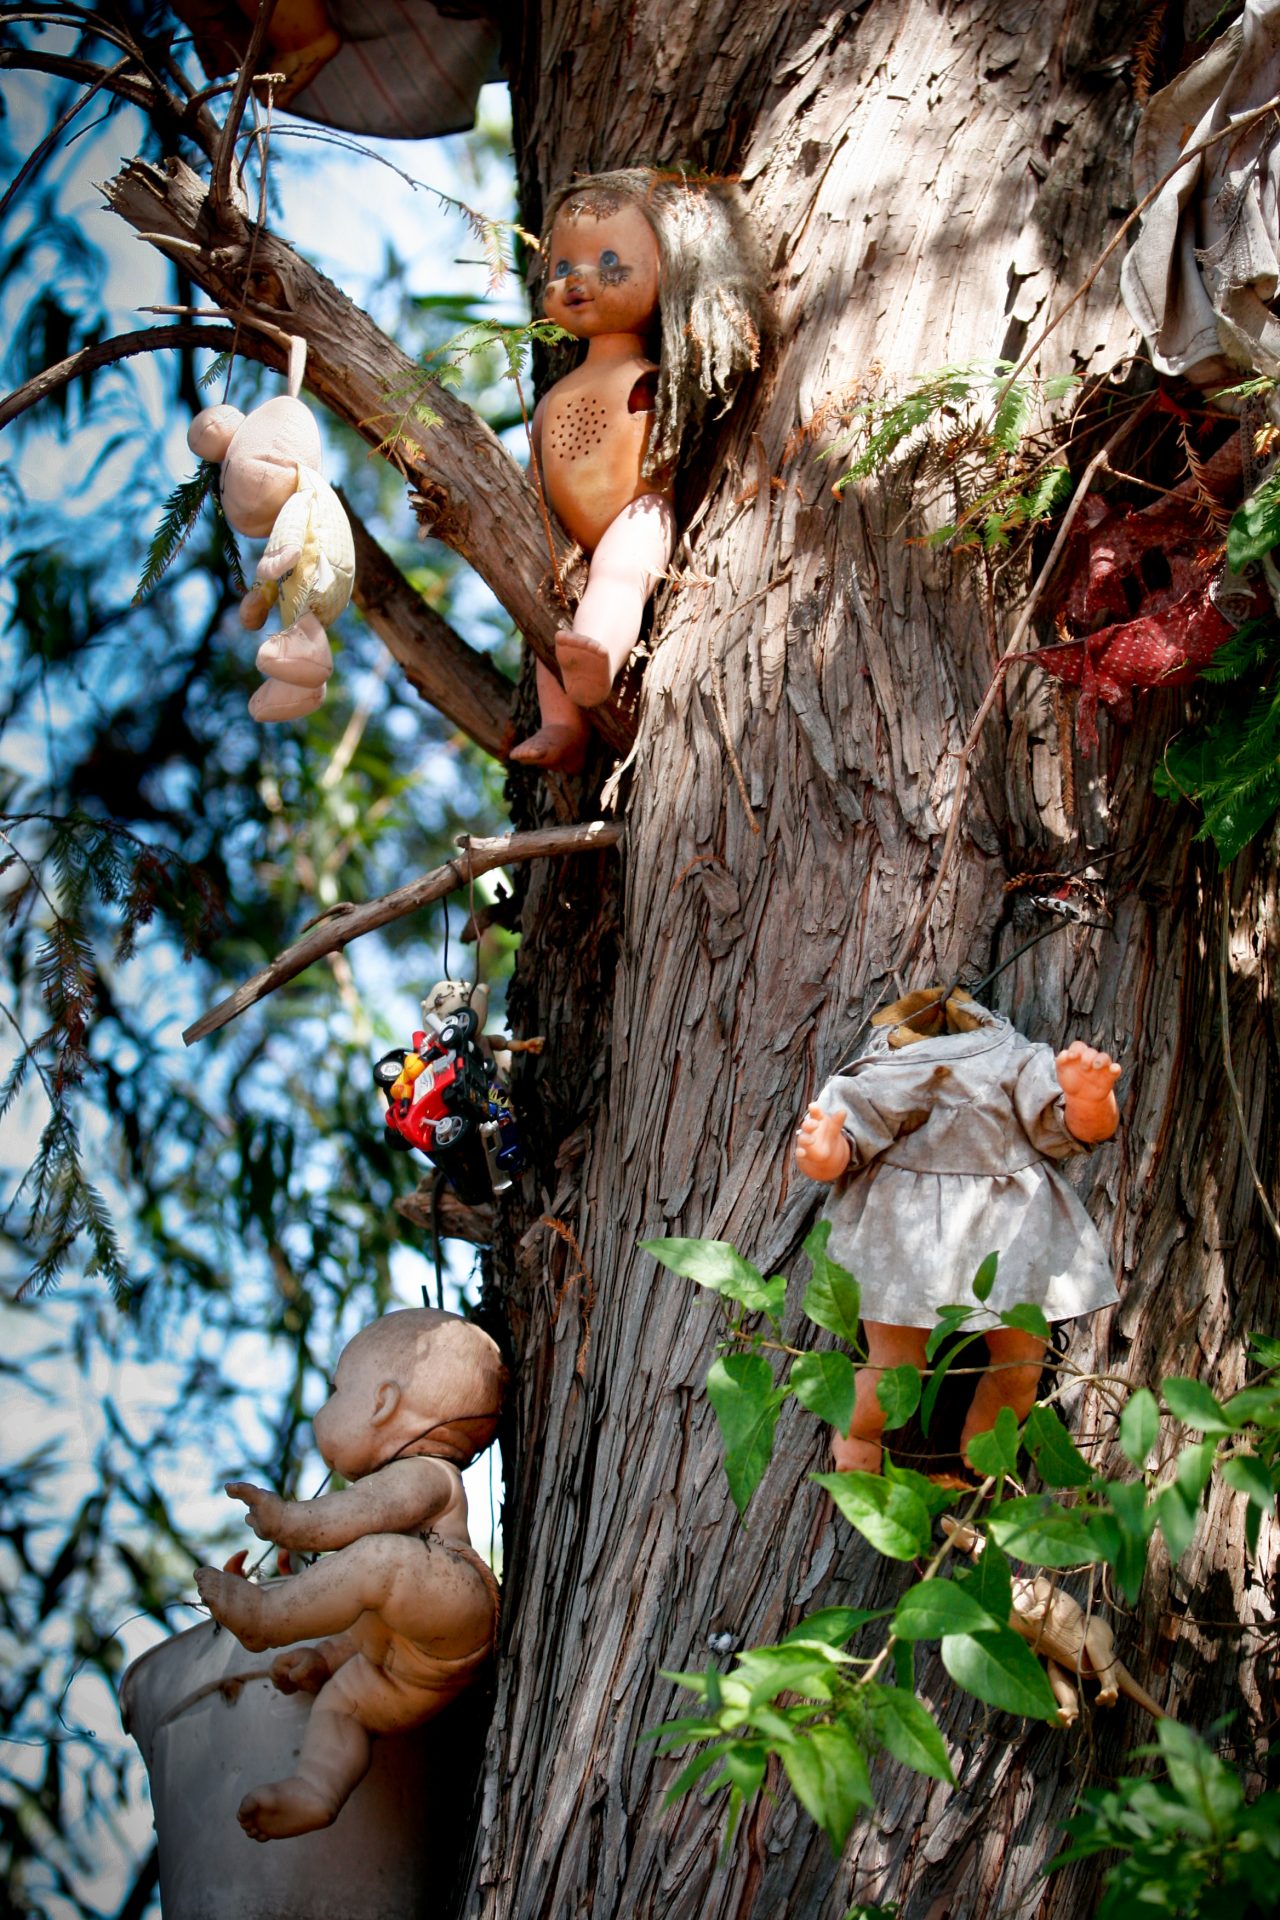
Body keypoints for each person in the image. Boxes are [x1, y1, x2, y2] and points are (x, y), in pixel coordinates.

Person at [195, 1308, 506, 1840]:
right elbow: (367, 1609)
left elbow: (358, 1517)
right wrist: (326, 1658)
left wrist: (289, 1521)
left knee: (378, 1561)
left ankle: (266, 1617)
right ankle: (316, 1789)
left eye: (336, 1391)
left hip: (457, 1605)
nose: (324, 1409)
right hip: (407, 1668)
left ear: (382, 1404)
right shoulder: (407, 1484)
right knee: (341, 1706)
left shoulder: (426, 1475)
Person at [794, 989, 1120, 1476]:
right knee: (895, 1365)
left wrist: (1089, 1099)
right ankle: (858, 1430)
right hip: (905, 1239)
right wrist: (822, 1151)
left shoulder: (1016, 1061)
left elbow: (1078, 1131)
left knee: (1021, 1362)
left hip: (1006, 1238)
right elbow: (842, 1142)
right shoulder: (885, 1071)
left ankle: (988, 1439)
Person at [510, 169, 761, 771]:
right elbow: (538, 463)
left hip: (636, 511)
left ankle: (600, 651)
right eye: (564, 266)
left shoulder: (648, 375)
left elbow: (663, 443)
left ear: (672, 270)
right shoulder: (555, 394)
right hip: (563, 530)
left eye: (608, 260)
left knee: (621, 575)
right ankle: (563, 727)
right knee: (540, 619)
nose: (579, 278)